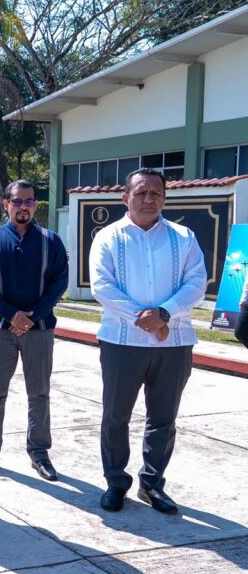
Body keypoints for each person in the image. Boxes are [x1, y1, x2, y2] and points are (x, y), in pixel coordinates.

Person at [90, 168, 206, 514]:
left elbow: (196, 283)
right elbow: (102, 286)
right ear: (126, 198)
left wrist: (165, 314)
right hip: (122, 342)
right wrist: (146, 321)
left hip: (174, 343)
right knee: (116, 416)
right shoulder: (108, 237)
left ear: (165, 198)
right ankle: (115, 481)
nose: (148, 199)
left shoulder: (183, 237)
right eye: (141, 192)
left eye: (156, 193)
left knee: (163, 418)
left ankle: (152, 483)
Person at [0, 180, 68, 482]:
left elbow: (59, 282)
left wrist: (34, 315)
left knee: (39, 393)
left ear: (35, 205)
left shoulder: (51, 241)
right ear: (5, 204)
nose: (23, 207)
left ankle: (39, 453)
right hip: (0, 329)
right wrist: (11, 314)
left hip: (40, 329)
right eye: (17, 201)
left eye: (29, 201)